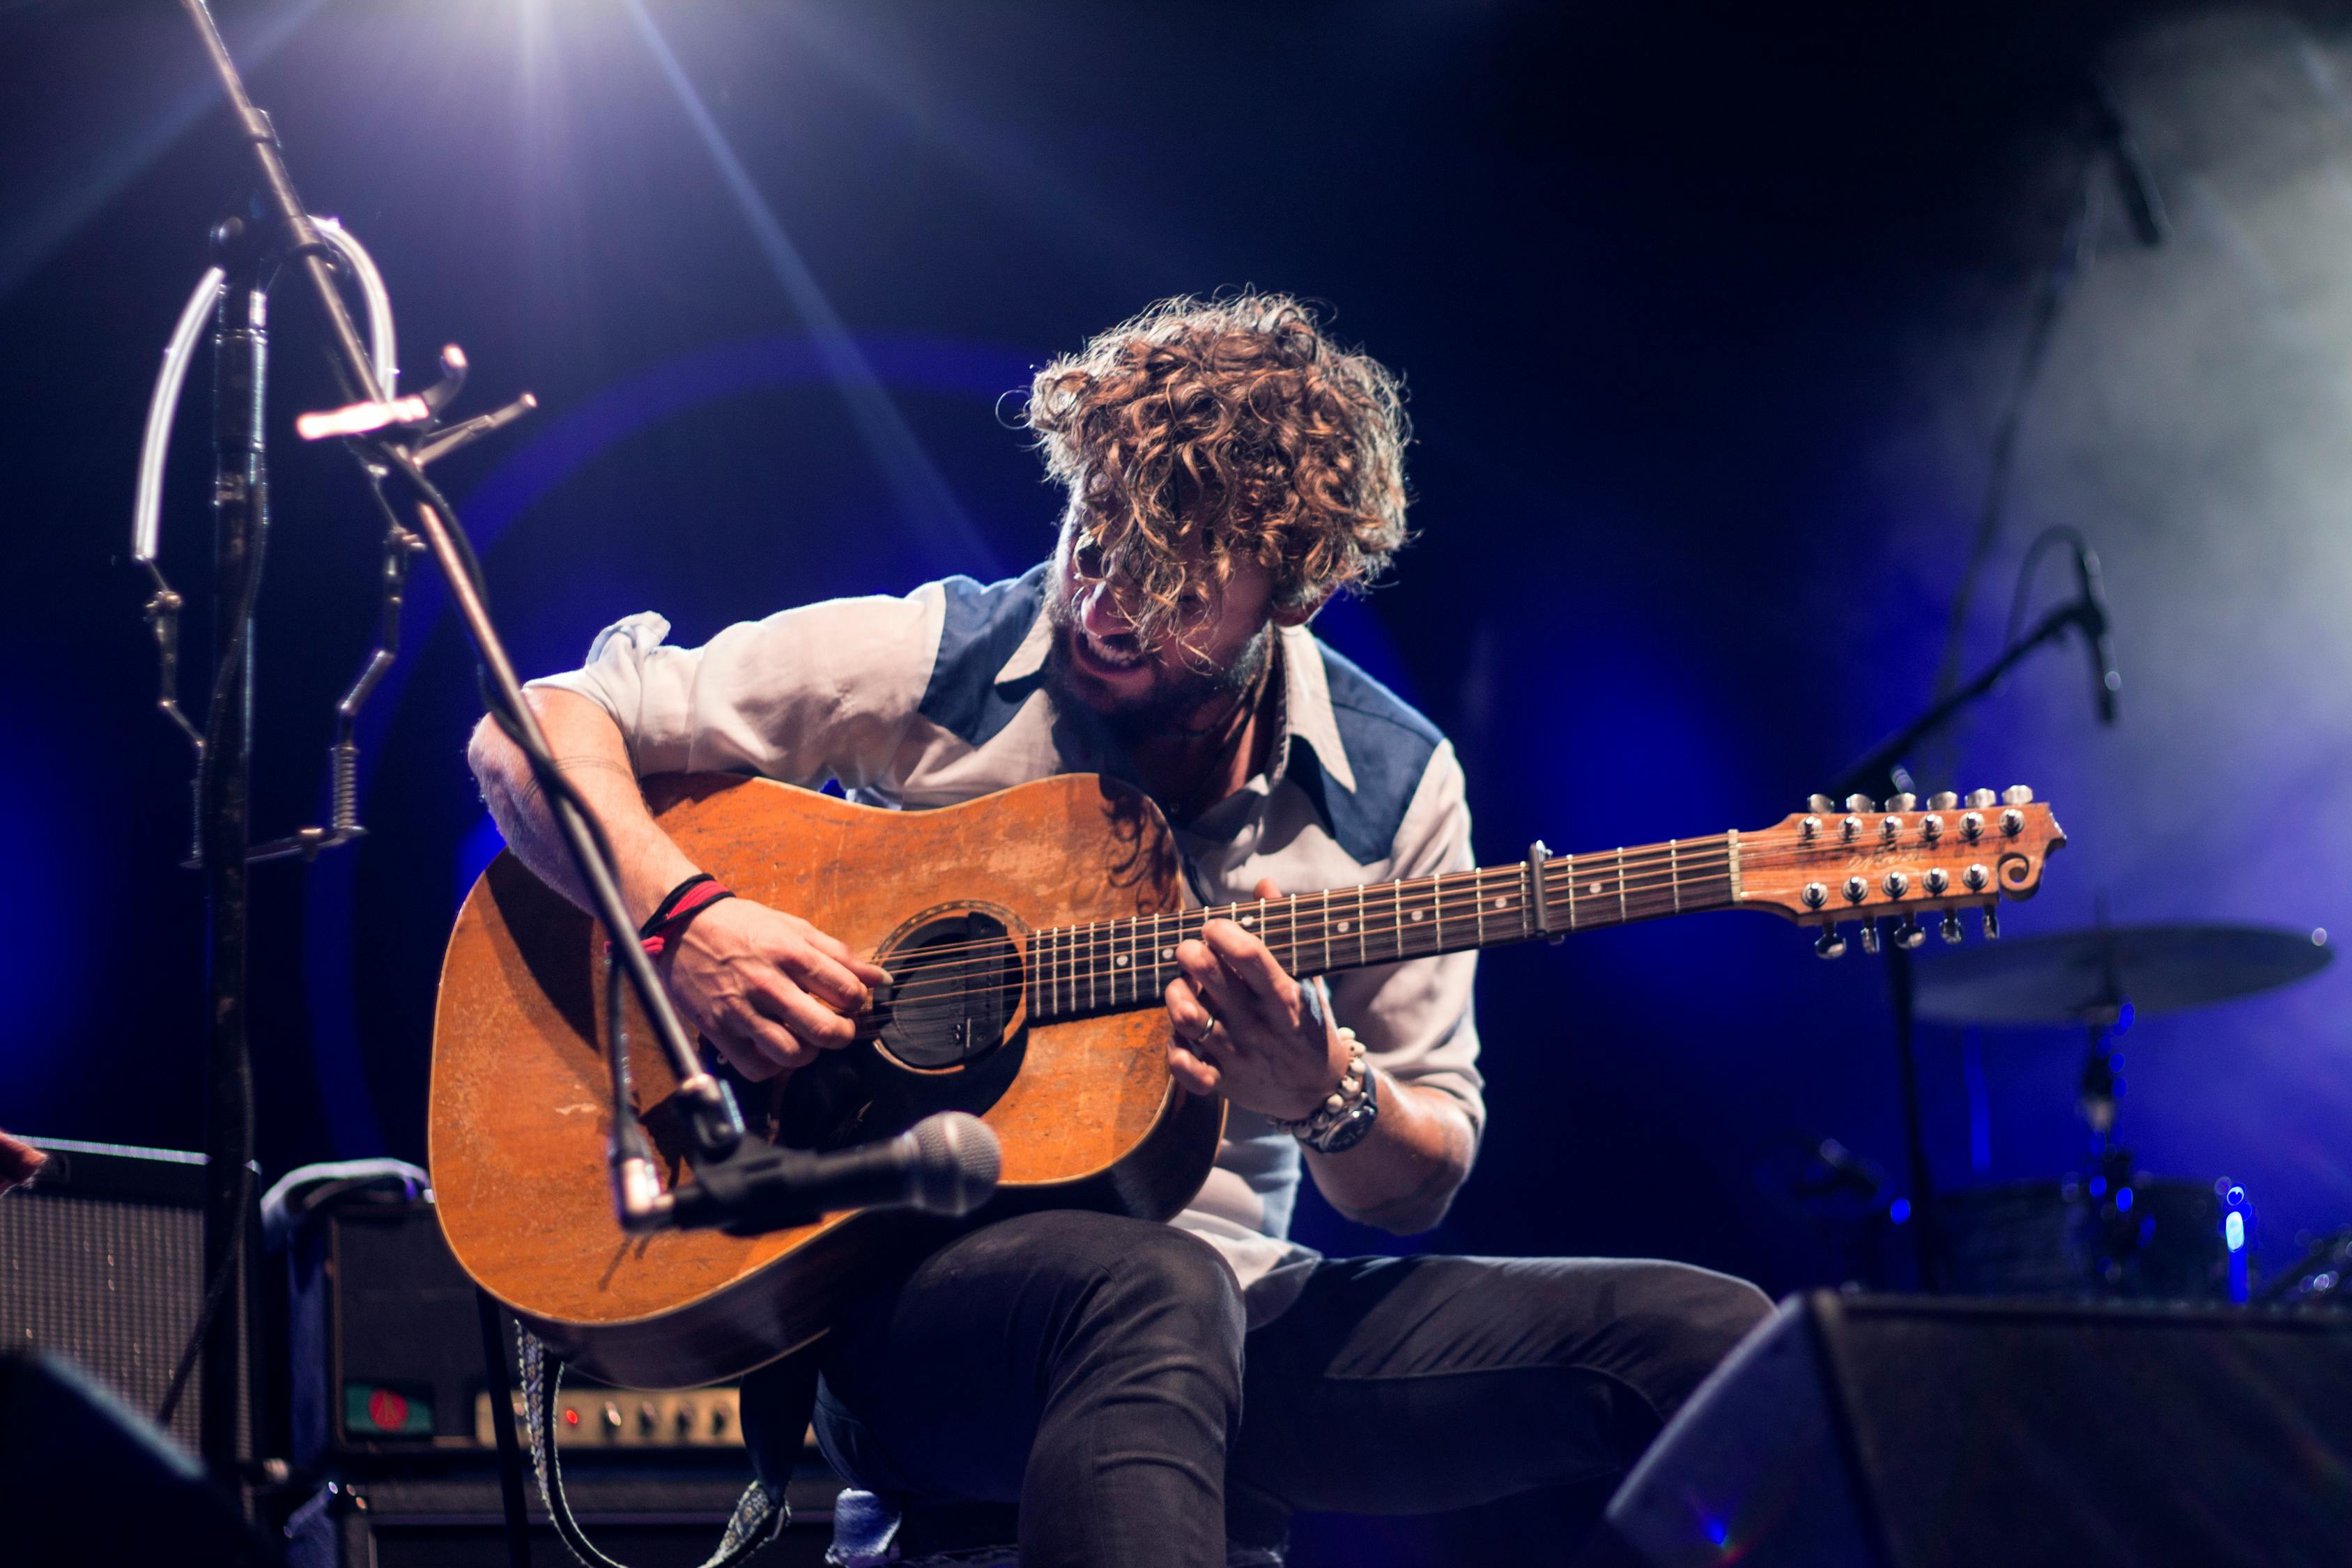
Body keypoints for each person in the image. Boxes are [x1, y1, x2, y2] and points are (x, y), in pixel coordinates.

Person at [469, 293, 1771, 1567]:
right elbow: (532, 729)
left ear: (1295, 593)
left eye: (1169, 588)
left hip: (1238, 1311)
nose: (1100, 607)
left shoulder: (1398, 783)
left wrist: (1322, 1093)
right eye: (1093, 543)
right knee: (1155, 1290)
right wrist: (687, 919)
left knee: (1706, 1331)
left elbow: (1422, 1175)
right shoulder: (948, 656)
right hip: (906, 1316)